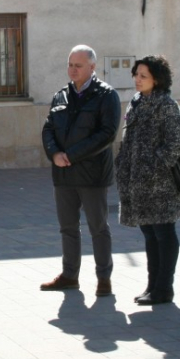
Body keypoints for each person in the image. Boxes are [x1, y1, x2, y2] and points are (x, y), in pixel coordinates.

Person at [40, 44, 121, 296]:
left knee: (98, 227)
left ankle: (103, 278)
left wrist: (71, 156)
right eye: (70, 65)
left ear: (92, 67)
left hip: (92, 174)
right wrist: (54, 153)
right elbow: (48, 128)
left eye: (78, 66)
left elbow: (107, 134)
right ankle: (69, 275)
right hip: (63, 174)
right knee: (68, 227)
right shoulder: (61, 95)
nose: (72, 70)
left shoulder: (106, 95)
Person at [114, 55, 180, 305]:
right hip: (137, 183)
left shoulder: (166, 105)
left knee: (164, 233)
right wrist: (123, 163)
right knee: (149, 234)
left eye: (143, 76)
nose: (137, 80)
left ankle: (164, 288)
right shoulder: (136, 102)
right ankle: (152, 286)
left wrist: (155, 165)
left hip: (162, 185)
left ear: (157, 79)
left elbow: (177, 142)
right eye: (136, 74)